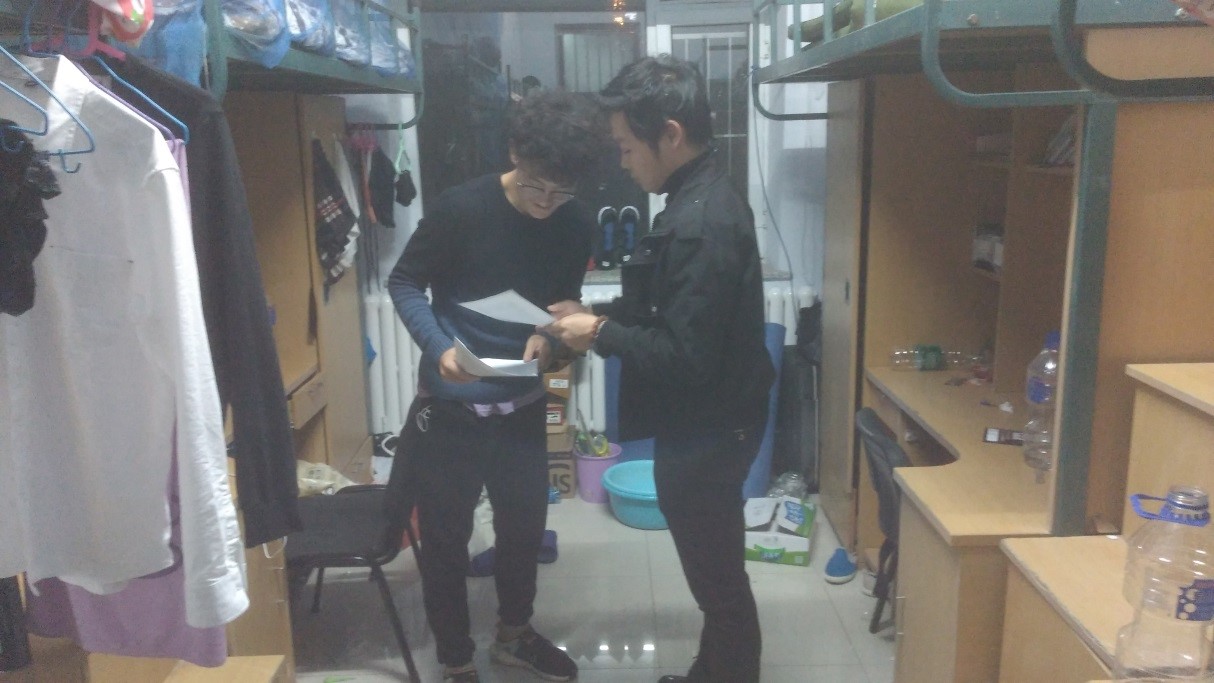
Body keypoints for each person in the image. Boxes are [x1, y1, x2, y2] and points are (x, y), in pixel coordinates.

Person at [543, 55, 775, 683]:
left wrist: (598, 333)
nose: (622, 162)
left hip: (711, 428)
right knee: (715, 576)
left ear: (669, 135)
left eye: (626, 147)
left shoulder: (702, 222)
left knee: (718, 583)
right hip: (711, 422)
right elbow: (669, 309)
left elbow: (686, 358)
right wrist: (595, 313)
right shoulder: (694, 198)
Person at [385, 90, 608, 683]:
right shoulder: (461, 209)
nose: (545, 203)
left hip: (525, 403)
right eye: (536, 185)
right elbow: (404, 283)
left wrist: (553, 337)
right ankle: (456, 659)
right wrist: (439, 347)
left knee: (523, 530)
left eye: (561, 192)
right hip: (451, 406)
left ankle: (514, 636)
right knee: (445, 539)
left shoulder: (575, 223)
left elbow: (559, 306)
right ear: (515, 153)